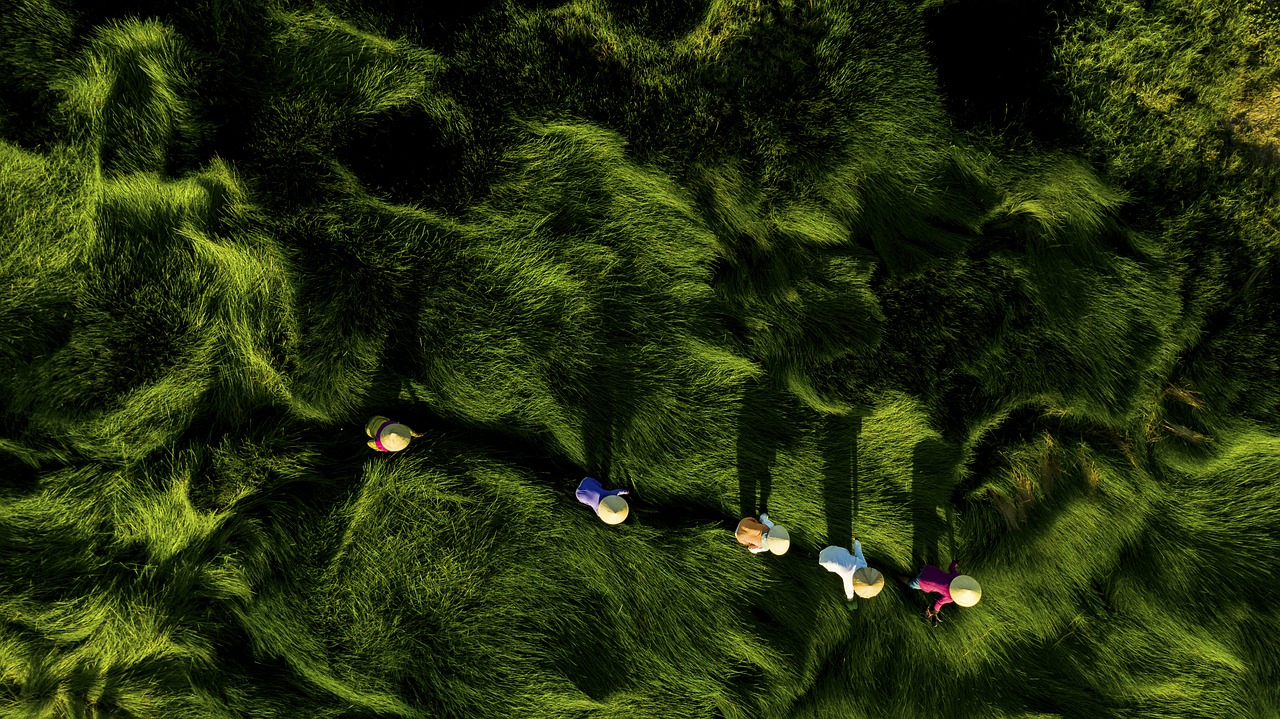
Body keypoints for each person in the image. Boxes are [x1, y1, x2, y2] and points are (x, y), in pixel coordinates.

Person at [901, 560, 982, 625]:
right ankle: (895, 575)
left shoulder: (956, 576)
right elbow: (939, 603)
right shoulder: (950, 597)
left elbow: (951, 568)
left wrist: (955, 563)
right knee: (911, 584)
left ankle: (921, 568)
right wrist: (935, 612)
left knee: (925, 570)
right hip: (924, 581)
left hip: (930, 569)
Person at [819, 539, 884, 608]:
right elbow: (848, 591)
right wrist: (850, 600)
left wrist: (857, 542)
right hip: (824, 560)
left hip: (836, 550)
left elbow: (858, 551)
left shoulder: (863, 564)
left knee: (844, 554)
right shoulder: (850, 580)